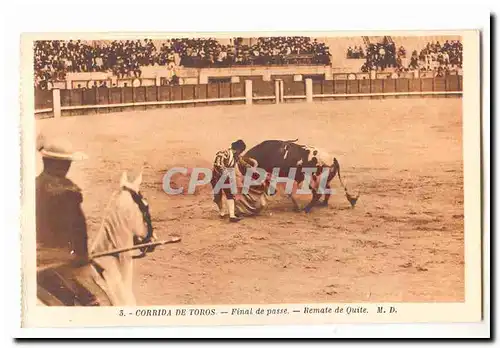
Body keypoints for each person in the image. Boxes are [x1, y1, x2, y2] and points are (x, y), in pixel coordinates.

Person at [36, 135, 110, 306]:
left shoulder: (34, 185)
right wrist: (83, 258)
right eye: (67, 162)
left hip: (35, 259)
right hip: (61, 261)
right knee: (93, 302)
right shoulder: (68, 192)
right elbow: (78, 230)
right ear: (61, 165)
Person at [210, 140, 247, 223]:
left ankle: (232, 216)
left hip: (225, 176)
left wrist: (250, 167)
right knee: (217, 196)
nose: (241, 153)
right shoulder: (223, 153)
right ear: (238, 149)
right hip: (217, 176)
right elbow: (218, 165)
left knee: (229, 194)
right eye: (241, 151)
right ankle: (222, 211)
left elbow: (242, 163)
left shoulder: (235, 156)